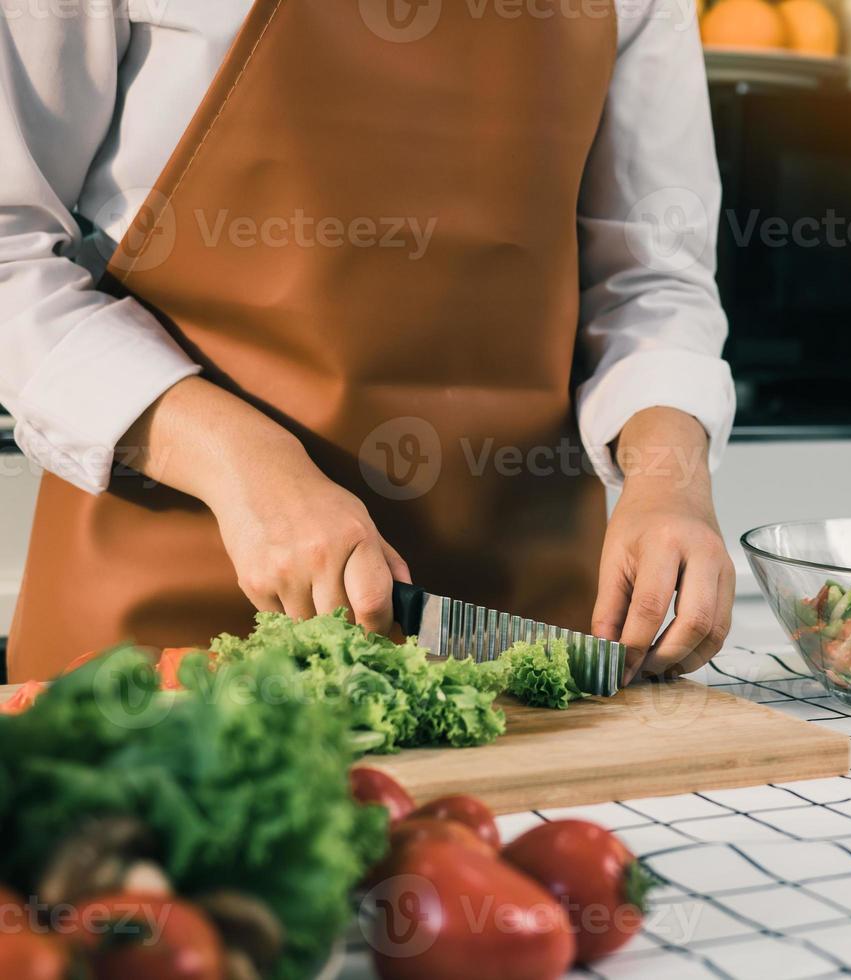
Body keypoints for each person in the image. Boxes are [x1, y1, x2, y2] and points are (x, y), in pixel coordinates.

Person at [0, 0, 736, 684]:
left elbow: (650, 277)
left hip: (512, 627)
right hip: (163, 621)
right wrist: (238, 464)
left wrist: (671, 477)